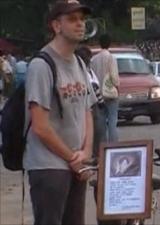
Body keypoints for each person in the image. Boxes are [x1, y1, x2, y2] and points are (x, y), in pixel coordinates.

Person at [23, 1, 96, 225]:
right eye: (72, 19)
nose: (80, 24)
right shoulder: (41, 65)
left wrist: (85, 153)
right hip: (48, 166)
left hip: (76, 164)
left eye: (82, 19)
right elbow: (40, 126)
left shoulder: (80, 64)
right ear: (56, 26)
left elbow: (87, 111)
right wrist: (71, 158)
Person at [75, 45, 106, 158]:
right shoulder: (84, 73)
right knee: (96, 133)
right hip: (92, 107)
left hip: (94, 106)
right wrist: (102, 104)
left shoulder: (89, 71)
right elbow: (95, 89)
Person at [91, 33, 120, 142]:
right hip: (110, 93)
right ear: (110, 43)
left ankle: (102, 146)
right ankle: (113, 144)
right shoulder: (111, 57)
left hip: (98, 94)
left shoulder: (94, 59)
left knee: (101, 121)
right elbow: (114, 76)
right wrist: (117, 87)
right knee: (113, 120)